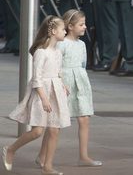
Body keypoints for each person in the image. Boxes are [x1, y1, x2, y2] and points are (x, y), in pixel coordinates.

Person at [2, 15, 71, 175]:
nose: (65, 31)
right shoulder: (41, 52)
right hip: (42, 93)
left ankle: (47, 166)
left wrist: (63, 85)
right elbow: (37, 78)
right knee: (38, 131)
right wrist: (44, 98)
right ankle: (10, 149)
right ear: (53, 31)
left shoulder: (58, 52)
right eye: (63, 29)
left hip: (56, 92)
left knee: (54, 130)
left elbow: (58, 71)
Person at [37, 9, 102, 167]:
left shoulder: (82, 45)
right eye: (81, 24)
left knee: (84, 119)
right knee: (55, 122)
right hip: (64, 83)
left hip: (80, 83)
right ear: (70, 26)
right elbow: (56, 64)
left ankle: (83, 156)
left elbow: (83, 65)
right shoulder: (62, 44)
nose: (85, 27)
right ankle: (42, 156)